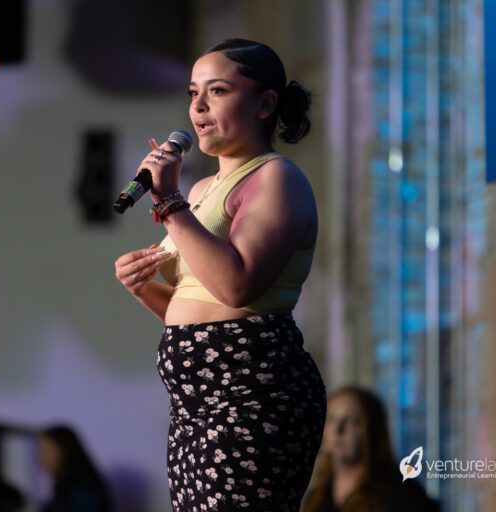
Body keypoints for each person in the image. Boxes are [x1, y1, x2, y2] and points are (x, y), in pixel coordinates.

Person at [114, 38, 326, 511]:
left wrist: (169, 203)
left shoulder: (276, 178)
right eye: (193, 93)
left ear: (265, 103)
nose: (199, 107)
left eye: (218, 91)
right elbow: (191, 306)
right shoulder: (205, 187)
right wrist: (143, 286)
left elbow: (237, 287)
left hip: (252, 399)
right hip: (194, 409)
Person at [301, 386, 440, 512]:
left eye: (352, 421)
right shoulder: (317, 495)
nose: (338, 430)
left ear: (373, 430)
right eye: (331, 419)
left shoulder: (400, 495)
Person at [38, 425, 114, 512]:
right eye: (41, 451)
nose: (42, 457)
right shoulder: (63, 486)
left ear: (65, 451)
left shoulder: (84, 490)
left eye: (47, 450)